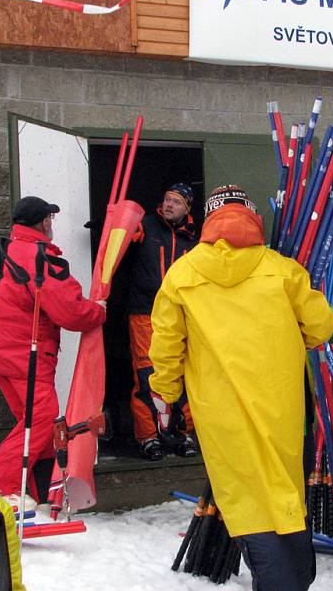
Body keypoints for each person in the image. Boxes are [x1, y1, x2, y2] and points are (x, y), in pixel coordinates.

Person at [147, 185, 333, 591]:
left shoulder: (181, 275)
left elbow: (165, 348)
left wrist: (167, 394)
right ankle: (293, 579)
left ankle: (283, 582)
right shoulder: (283, 270)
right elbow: (321, 326)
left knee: (249, 502)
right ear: (254, 221)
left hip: (220, 416)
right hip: (283, 412)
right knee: (284, 494)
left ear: (209, 222)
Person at [0, 196, 107, 505]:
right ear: (42, 222)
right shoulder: (42, 259)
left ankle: (34, 492)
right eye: (50, 219)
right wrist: (99, 311)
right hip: (29, 357)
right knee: (40, 421)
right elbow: (70, 312)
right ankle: (2, 491)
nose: (52, 224)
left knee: (31, 427)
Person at [128, 182, 198, 461]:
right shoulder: (146, 225)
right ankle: (148, 436)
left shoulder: (195, 239)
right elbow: (120, 236)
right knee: (147, 375)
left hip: (180, 314)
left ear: (187, 208)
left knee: (182, 374)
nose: (169, 205)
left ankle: (183, 434)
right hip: (144, 311)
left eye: (176, 202)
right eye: (167, 199)